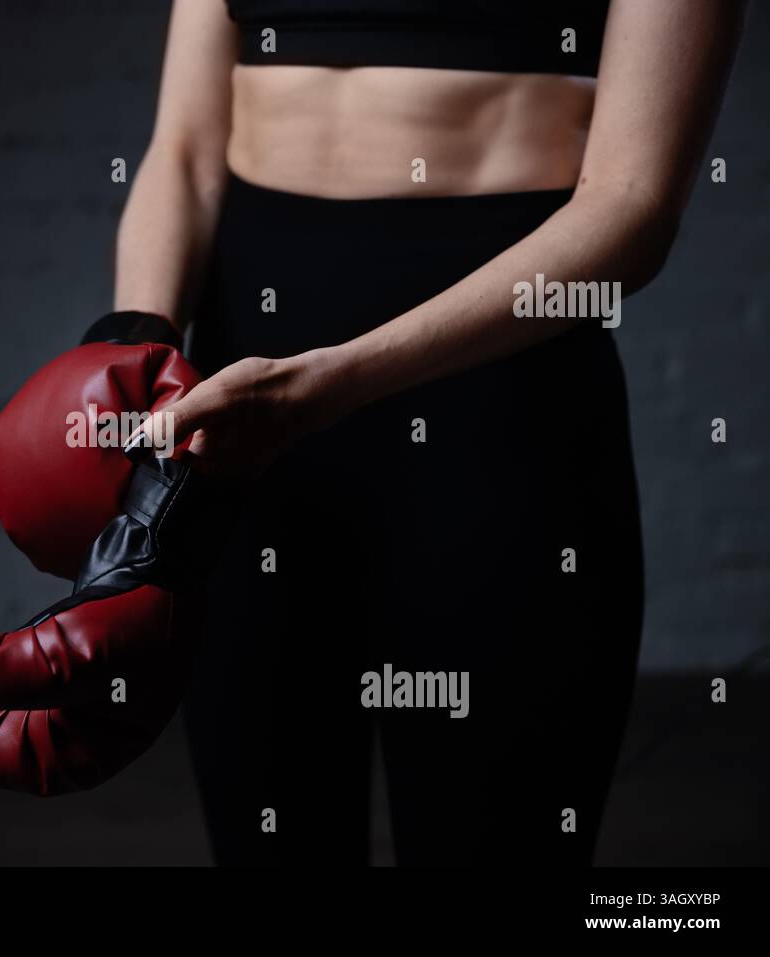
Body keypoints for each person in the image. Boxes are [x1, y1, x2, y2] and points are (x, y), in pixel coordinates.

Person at [116, 0, 746, 865]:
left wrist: (329, 383)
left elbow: (633, 208)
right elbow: (185, 152)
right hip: (239, 423)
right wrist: (130, 350)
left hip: (497, 415)